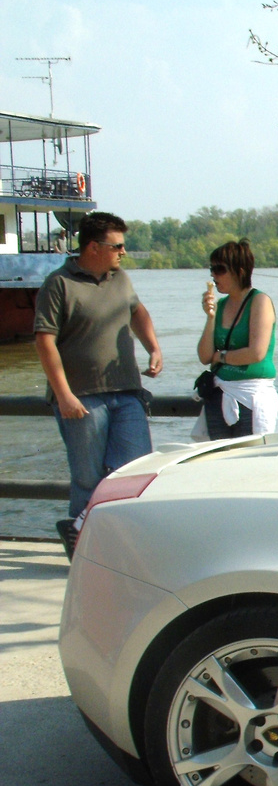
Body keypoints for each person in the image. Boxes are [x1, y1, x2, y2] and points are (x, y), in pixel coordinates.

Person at [32, 211, 163, 553]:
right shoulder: (58, 284)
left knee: (134, 472)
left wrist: (153, 347)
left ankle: (126, 546)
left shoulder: (120, 279)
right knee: (88, 478)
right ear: (93, 247)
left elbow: (138, 312)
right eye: (117, 246)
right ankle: (83, 546)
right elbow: (45, 341)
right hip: (82, 399)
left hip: (127, 393)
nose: (123, 252)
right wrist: (63, 395)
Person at [193, 239, 278, 441]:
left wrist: (221, 356)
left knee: (251, 459)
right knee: (220, 459)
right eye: (212, 269)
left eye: (219, 269)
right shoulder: (221, 305)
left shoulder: (259, 301)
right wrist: (210, 317)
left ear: (240, 272)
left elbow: (256, 353)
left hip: (252, 395)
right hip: (219, 394)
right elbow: (204, 356)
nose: (213, 275)